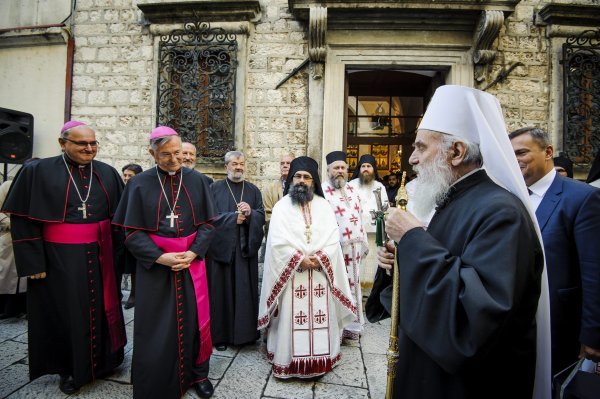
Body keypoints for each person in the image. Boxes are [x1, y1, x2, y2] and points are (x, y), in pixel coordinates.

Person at [372, 85, 550, 398]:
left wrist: (412, 239)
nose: (412, 158)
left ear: (457, 152)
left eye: (421, 148)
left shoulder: (501, 213)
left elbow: (474, 319)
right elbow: (445, 269)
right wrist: (399, 261)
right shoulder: (455, 199)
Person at [1, 121, 126, 394]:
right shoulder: (37, 171)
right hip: (58, 259)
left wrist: (121, 257)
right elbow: (22, 218)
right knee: (66, 312)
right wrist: (33, 262)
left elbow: (119, 219)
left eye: (93, 143)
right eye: (82, 144)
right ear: (62, 143)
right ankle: (69, 368)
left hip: (101, 254)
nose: (89, 148)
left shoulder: (107, 172)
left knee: (104, 307)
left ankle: (108, 359)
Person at [112, 126, 217, 399]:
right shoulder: (139, 183)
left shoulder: (198, 181)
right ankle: (157, 377)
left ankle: (199, 374)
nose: (174, 160)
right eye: (166, 155)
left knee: (196, 321)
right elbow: (131, 232)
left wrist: (193, 252)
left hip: (191, 263)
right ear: (152, 153)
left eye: (178, 153)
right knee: (156, 325)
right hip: (156, 267)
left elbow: (208, 224)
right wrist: (160, 257)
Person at [509, 127, 600, 376]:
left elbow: (594, 271)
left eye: (522, 152)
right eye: (510, 153)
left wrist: (593, 334)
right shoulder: (509, 197)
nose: (515, 159)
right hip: (516, 326)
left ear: (548, 152)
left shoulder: (582, 198)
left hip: (561, 325)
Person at [258, 156, 357, 378]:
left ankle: (321, 360)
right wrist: (297, 258)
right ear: (291, 179)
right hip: (291, 276)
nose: (302, 181)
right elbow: (276, 243)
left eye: (307, 177)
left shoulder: (324, 206)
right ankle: (288, 361)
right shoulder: (281, 207)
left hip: (321, 273)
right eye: (298, 176)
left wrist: (320, 256)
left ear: (314, 181)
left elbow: (333, 239)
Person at [208, 151, 265, 351]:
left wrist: (250, 215)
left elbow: (261, 215)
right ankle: (220, 336)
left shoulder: (253, 190)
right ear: (226, 167)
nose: (238, 167)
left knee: (244, 292)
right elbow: (208, 219)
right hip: (222, 251)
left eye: (241, 164)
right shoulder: (214, 188)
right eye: (234, 164)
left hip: (243, 251)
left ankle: (245, 335)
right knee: (221, 292)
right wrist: (233, 218)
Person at [321, 150, 368, 340]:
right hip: (336, 249)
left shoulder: (352, 190)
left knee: (354, 285)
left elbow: (359, 217)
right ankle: (338, 327)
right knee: (338, 286)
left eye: (343, 168)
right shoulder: (323, 191)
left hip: (354, 249)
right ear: (328, 170)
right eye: (336, 168)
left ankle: (353, 326)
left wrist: (363, 240)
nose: (340, 171)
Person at [348, 154, 387, 286]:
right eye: (363, 166)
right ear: (359, 168)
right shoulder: (350, 186)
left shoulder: (380, 186)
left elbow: (384, 209)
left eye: (368, 166)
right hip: (356, 234)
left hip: (374, 234)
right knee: (357, 264)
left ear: (373, 169)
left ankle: (369, 294)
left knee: (372, 264)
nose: (365, 169)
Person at [120, 163, 143, 310]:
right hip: (119, 236)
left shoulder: (140, 190)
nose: (127, 178)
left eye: (130, 176)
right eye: (125, 175)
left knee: (134, 267)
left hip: (134, 235)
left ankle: (134, 294)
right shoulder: (119, 189)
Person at [262, 152, 294, 239]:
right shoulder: (270, 189)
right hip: (276, 234)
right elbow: (268, 216)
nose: (285, 165)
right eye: (282, 163)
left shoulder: (300, 188)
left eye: (288, 163)